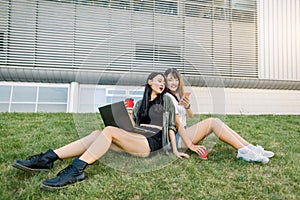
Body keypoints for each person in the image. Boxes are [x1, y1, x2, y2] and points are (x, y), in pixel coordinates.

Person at [12, 72, 177, 190]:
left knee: (109, 131)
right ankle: (48, 158)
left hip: (151, 143)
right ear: (150, 82)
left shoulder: (167, 100)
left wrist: (174, 150)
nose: (162, 84)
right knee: (97, 134)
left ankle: (76, 170)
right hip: (135, 138)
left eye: (164, 82)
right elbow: (133, 128)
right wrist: (127, 117)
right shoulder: (141, 103)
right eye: (159, 80)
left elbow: (171, 126)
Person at [164, 68, 274, 164]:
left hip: (184, 132)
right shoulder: (167, 97)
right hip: (178, 138)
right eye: (170, 80)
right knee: (213, 122)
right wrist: (191, 145)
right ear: (165, 82)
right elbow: (177, 124)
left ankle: (250, 148)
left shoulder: (177, 96)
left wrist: (187, 106)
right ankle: (245, 152)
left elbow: (190, 116)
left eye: (176, 79)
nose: (174, 82)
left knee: (216, 122)